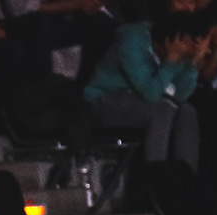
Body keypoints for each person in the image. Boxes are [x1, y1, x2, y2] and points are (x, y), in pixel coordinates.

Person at [82, 13, 206, 175]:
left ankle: (185, 182)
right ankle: (157, 182)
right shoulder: (132, 41)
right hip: (104, 100)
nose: (191, 49)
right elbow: (150, 93)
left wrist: (192, 66)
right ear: (171, 41)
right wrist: (170, 63)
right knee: (163, 110)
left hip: (142, 102)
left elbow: (180, 96)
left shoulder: (181, 52)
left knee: (187, 112)